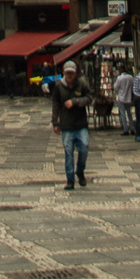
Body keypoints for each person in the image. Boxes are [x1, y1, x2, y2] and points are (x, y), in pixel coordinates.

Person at [51, 60, 92, 189]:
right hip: (67, 125)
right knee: (68, 152)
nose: (69, 75)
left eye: (71, 73)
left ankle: (80, 171)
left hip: (80, 124)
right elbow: (55, 104)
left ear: (75, 74)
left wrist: (75, 102)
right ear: (64, 72)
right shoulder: (59, 86)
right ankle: (70, 179)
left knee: (84, 147)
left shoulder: (82, 84)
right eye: (67, 73)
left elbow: (89, 98)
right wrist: (55, 122)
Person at [113, 66, 135, 136]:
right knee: (129, 113)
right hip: (128, 97)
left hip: (121, 98)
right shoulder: (131, 77)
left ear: (121, 70)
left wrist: (119, 90)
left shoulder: (119, 78)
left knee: (123, 114)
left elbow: (115, 87)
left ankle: (125, 129)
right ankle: (132, 128)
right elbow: (133, 86)